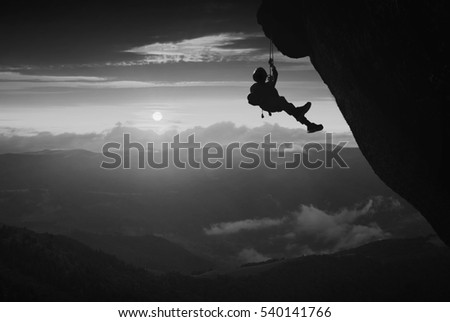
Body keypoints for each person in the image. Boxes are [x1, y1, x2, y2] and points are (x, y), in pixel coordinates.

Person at [248, 59, 323, 133]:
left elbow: (275, 76)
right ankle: (306, 121)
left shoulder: (265, 85)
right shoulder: (258, 87)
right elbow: (256, 97)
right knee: (283, 101)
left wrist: (272, 67)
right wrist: (272, 70)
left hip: (273, 104)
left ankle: (309, 125)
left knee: (290, 108)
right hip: (270, 105)